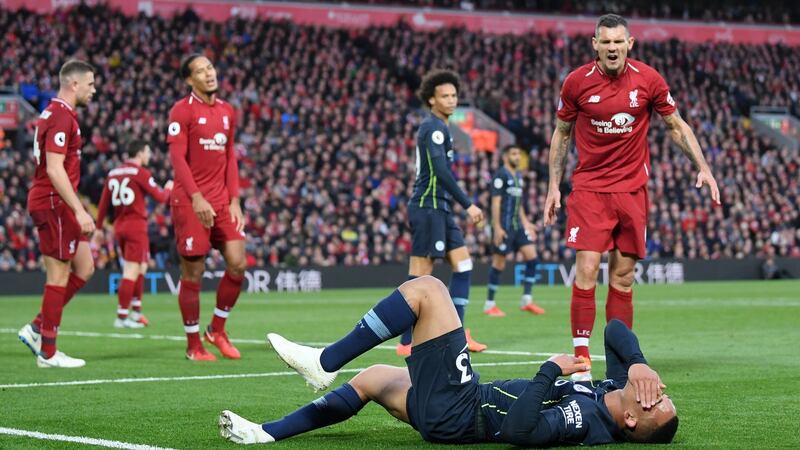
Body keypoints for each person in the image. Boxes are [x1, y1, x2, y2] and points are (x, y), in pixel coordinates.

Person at [218, 276, 678, 446]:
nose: (657, 393)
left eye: (656, 402)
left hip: (459, 412)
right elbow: (615, 331)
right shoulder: (615, 390)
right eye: (662, 393)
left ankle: (325, 360)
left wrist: (549, 370)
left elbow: (520, 432)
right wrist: (638, 362)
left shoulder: (588, 421)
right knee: (374, 377)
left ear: (634, 422)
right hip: (454, 408)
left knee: (428, 290)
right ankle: (264, 434)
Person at [543, 14, 721, 380]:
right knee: (587, 270)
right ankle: (581, 359)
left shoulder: (648, 79)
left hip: (632, 192)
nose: (612, 48)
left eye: (618, 41)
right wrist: (552, 187)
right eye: (605, 41)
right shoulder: (576, 83)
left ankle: (618, 360)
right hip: (590, 190)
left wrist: (703, 166)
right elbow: (561, 134)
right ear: (595, 44)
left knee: (623, 279)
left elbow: (676, 126)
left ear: (630, 43)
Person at [398, 69, 486, 357]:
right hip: (428, 206)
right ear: (432, 99)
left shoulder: (442, 128)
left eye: (454, 95)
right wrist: (468, 203)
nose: (451, 100)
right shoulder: (433, 127)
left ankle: (458, 332)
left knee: (464, 266)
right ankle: (406, 341)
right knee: (421, 274)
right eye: (444, 96)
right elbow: (440, 171)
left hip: (441, 208)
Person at [17, 60, 97, 368]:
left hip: (55, 201)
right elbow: (53, 168)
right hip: (54, 201)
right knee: (59, 275)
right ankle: (48, 352)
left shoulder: (52, 112)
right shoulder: (62, 115)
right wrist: (80, 210)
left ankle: (38, 326)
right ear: (73, 84)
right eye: (90, 84)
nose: (94, 89)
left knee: (85, 266)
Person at [166, 54, 246, 361]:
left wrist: (235, 199)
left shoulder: (227, 110)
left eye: (210, 67)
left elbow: (230, 157)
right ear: (190, 80)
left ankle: (216, 330)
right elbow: (177, 159)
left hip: (222, 201)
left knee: (238, 262)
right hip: (189, 201)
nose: (209, 73)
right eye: (201, 71)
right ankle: (193, 345)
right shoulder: (181, 111)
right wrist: (196, 197)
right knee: (194, 272)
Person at [95, 139, 173, 328]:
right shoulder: (140, 173)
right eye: (147, 151)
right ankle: (122, 317)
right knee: (131, 270)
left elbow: (104, 204)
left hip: (120, 226)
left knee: (142, 267)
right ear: (139, 153)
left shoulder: (113, 173)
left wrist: (98, 228)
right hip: (135, 226)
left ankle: (136, 311)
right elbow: (161, 197)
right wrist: (169, 187)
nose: (149, 155)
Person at [482, 145, 546, 317]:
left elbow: (519, 206)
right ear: (505, 157)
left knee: (532, 258)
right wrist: (497, 227)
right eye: (513, 153)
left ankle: (526, 300)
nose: (517, 157)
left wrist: (527, 224)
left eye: (518, 153)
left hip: (518, 227)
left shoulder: (518, 176)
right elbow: (495, 203)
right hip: (504, 226)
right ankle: (489, 304)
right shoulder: (500, 176)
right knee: (499, 264)